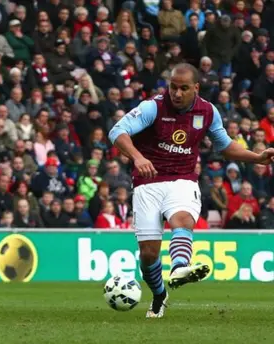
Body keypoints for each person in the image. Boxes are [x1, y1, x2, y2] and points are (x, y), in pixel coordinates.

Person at [108, 63, 274, 319]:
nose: (176, 93)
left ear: (195, 88)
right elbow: (117, 131)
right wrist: (138, 157)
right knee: (148, 254)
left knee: (182, 219)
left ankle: (179, 267)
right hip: (147, 182)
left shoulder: (207, 111)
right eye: (173, 87)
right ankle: (160, 294)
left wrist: (257, 157)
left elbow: (225, 146)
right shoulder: (153, 106)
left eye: (183, 88)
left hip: (183, 179)